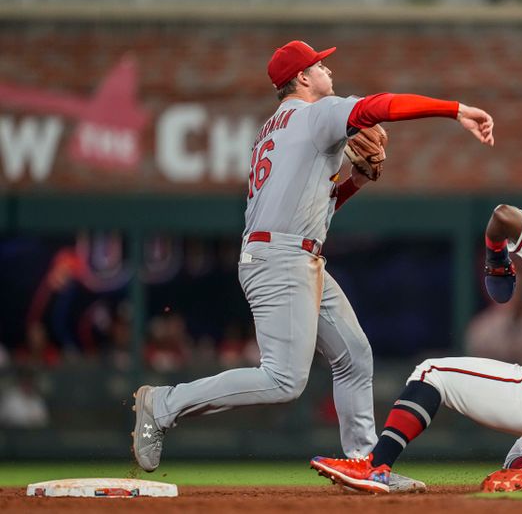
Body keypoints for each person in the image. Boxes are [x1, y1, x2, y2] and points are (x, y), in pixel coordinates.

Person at [131, 40, 494, 493]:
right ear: (302, 78)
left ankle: (365, 465)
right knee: (283, 379)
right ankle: (164, 404)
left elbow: (319, 208)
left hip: (293, 254)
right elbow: (383, 105)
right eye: (320, 64)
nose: (327, 70)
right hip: (280, 259)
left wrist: (356, 178)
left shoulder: (273, 129)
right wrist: (456, 109)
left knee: (354, 356)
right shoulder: (314, 114)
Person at [310, 207, 522, 493]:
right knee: (519, 458)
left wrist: (496, 256)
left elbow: (503, 214)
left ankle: (376, 465)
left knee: (431, 372)